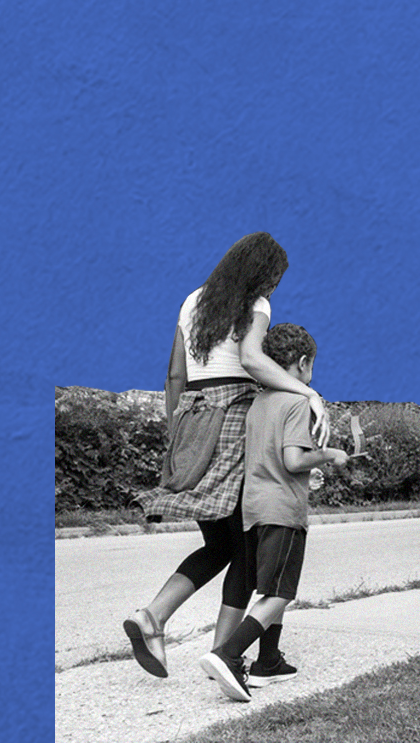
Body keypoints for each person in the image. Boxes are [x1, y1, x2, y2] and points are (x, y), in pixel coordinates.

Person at [123, 234, 330, 679]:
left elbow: (175, 374)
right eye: (274, 279)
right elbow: (252, 360)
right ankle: (224, 655)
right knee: (245, 549)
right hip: (234, 418)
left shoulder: (192, 301)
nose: (274, 288)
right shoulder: (255, 302)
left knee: (218, 544)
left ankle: (154, 617)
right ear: (263, 274)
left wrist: (178, 431)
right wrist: (308, 392)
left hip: (191, 418)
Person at [199, 323, 347, 701]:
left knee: (268, 587)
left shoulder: (259, 401)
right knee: (280, 594)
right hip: (283, 509)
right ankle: (229, 655)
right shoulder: (297, 402)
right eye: (311, 366)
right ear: (301, 364)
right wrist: (329, 455)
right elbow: (293, 460)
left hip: (252, 509)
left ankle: (269, 661)